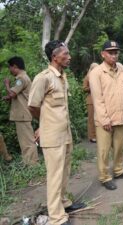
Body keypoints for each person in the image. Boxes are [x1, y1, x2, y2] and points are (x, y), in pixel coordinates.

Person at [28, 40, 85, 225]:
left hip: (65, 133)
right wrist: (43, 125)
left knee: (64, 172)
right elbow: (33, 106)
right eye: (65, 54)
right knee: (54, 176)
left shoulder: (62, 76)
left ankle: (63, 203)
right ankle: (56, 217)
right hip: (52, 135)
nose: (69, 57)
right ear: (54, 56)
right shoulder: (43, 78)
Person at [89, 40, 123, 191]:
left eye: (116, 52)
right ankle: (104, 177)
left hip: (120, 116)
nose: (114, 55)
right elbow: (97, 98)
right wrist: (104, 119)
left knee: (119, 147)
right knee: (103, 151)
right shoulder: (96, 73)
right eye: (110, 52)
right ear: (103, 54)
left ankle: (119, 171)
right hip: (105, 120)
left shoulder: (122, 68)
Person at [2, 56, 39, 165]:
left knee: (27, 140)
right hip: (23, 114)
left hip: (22, 114)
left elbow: (12, 93)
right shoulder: (23, 78)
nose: (9, 70)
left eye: (10, 67)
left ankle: (32, 163)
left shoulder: (21, 78)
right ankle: (28, 161)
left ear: (15, 66)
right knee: (25, 140)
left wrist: (7, 84)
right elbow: (16, 95)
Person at [82, 63, 99, 143]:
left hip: (98, 100)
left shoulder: (99, 76)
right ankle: (92, 136)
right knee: (91, 119)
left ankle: (98, 134)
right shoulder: (87, 77)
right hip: (91, 101)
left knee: (99, 118)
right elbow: (84, 88)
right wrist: (92, 87)